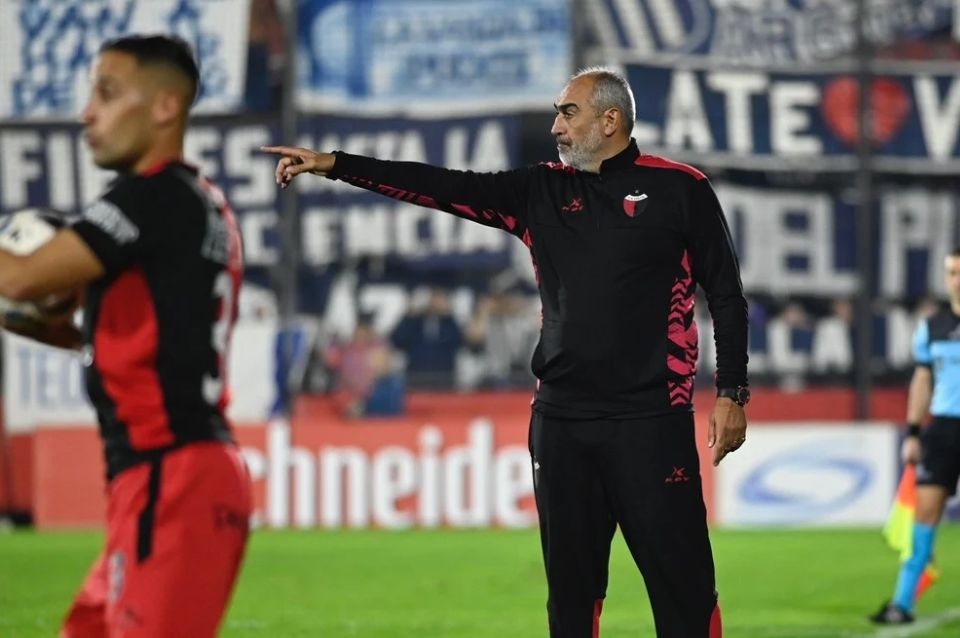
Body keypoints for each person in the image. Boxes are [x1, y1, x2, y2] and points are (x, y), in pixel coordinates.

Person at [263, 66, 749, 638]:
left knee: (685, 594)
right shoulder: (540, 191)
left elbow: (726, 295)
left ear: (610, 120)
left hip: (651, 421)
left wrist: (732, 392)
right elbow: (441, 186)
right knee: (571, 600)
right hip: (562, 424)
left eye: (568, 113)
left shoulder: (681, 189)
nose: (556, 127)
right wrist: (337, 165)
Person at [0, 35, 251, 637]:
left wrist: (25, 284)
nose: (88, 113)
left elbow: (19, 278)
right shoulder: (198, 203)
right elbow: (130, 334)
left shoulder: (151, 198)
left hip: (174, 481)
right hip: (159, 481)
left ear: (165, 106)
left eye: (107, 94)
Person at [871, 249, 960, 625]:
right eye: (952, 272)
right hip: (942, 429)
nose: (957, 279)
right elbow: (922, 380)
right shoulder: (932, 327)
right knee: (924, 514)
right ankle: (902, 603)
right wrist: (912, 431)